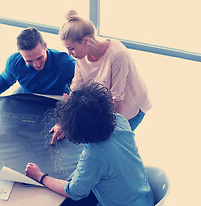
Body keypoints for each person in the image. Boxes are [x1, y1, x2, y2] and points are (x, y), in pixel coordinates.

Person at [25, 82, 154, 206]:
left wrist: (40, 176)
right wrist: (67, 124)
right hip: (144, 199)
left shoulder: (94, 155)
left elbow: (74, 192)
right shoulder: (121, 121)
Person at [49, 10, 152, 144]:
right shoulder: (81, 56)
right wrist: (63, 123)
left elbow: (117, 99)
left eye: (71, 48)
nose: (69, 53)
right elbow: (76, 89)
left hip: (129, 107)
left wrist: (113, 135)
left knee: (113, 144)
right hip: (106, 101)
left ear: (85, 41)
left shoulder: (118, 55)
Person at [0, 27, 75, 105]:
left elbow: (79, 89)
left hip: (55, 102)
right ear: (20, 54)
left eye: (39, 58)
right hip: (29, 99)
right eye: (29, 61)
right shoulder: (14, 62)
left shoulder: (67, 63)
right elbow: (5, 80)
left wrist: (69, 98)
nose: (37, 64)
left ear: (45, 46)